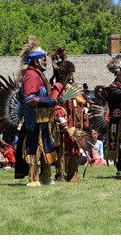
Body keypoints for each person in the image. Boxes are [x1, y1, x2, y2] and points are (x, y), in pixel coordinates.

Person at [14, 36, 57, 186]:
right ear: (36, 61)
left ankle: (45, 177)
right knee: (33, 148)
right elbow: (29, 99)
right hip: (34, 120)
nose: (46, 62)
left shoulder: (39, 75)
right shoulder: (32, 76)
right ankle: (34, 178)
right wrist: (47, 101)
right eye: (43, 59)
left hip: (43, 119)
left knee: (45, 148)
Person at [50, 47, 86, 182]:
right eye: (69, 73)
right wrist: (62, 120)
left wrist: (84, 118)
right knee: (64, 150)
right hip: (63, 126)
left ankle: (73, 176)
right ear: (64, 74)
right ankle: (62, 175)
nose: (71, 76)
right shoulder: (57, 87)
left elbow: (82, 103)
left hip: (75, 125)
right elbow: (53, 104)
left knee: (74, 150)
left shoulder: (73, 88)